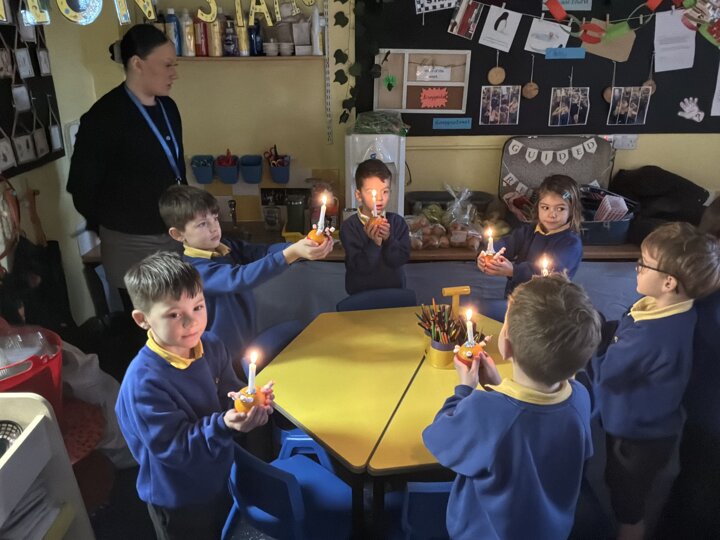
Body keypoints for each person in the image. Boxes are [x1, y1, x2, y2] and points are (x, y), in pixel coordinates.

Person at [423, 274, 602, 540]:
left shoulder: (484, 412)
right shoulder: (580, 397)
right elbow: (532, 423)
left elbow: (438, 438)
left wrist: (464, 390)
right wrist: (497, 386)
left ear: (505, 345)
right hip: (550, 530)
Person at [115, 252, 275, 540]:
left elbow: (227, 391)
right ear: (143, 319)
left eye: (198, 306)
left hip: (218, 472)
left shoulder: (210, 344)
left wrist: (247, 400)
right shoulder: (144, 383)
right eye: (174, 314)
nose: (192, 322)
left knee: (223, 528)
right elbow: (175, 449)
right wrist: (225, 424)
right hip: (178, 495)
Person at [589, 222, 720, 540]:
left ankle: (631, 531)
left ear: (669, 282)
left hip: (634, 436)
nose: (636, 268)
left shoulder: (652, 337)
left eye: (643, 264)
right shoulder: (675, 310)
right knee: (626, 487)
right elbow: (626, 328)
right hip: (654, 427)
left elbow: (605, 372)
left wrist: (590, 342)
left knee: (627, 500)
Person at [67, 25, 186, 310]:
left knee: (181, 317)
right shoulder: (103, 117)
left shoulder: (168, 108)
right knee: (147, 325)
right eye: (167, 65)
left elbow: (173, 169)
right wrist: (116, 227)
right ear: (137, 64)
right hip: (130, 243)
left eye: (175, 65)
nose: (174, 73)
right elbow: (82, 188)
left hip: (173, 236)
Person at [159, 185, 333, 373]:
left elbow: (261, 251)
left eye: (215, 219)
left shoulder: (224, 247)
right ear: (178, 234)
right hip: (217, 355)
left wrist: (300, 246)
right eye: (202, 224)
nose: (214, 228)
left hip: (243, 342)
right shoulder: (193, 271)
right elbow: (238, 278)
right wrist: (291, 254)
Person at [657, 200, 720, 539]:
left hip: (708, 416)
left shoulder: (702, 297)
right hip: (703, 413)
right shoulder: (703, 294)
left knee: (698, 493)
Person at [478, 174, 583, 320]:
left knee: (480, 310)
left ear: (572, 211)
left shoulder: (571, 243)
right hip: (516, 299)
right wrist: (488, 254)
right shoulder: (530, 231)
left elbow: (551, 274)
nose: (552, 214)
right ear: (538, 207)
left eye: (560, 209)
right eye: (545, 207)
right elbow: (508, 243)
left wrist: (514, 271)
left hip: (545, 310)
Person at [340, 159, 410, 295]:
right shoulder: (349, 227)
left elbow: (399, 260)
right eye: (371, 192)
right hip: (360, 296)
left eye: (385, 192)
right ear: (358, 195)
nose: (379, 198)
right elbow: (360, 267)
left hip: (394, 293)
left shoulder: (397, 223)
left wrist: (388, 239)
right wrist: (374, 244)